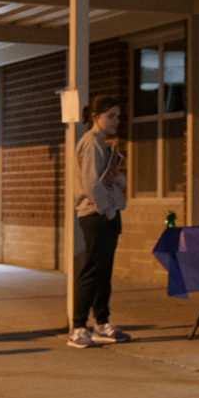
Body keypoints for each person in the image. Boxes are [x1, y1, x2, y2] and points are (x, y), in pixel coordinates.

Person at [70, 95, 128, 349]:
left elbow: (102, 180)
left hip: (103, 214)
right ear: (95, 117)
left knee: (103, 272)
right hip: (96, 215)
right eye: (110, 116)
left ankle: (102, 323)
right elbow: (92, 185)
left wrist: (119, 180)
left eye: (118, 116)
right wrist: (109, 211)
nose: (116, 121)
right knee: (92, 271)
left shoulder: (101, 144)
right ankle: (78, 327)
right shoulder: (92, 143)